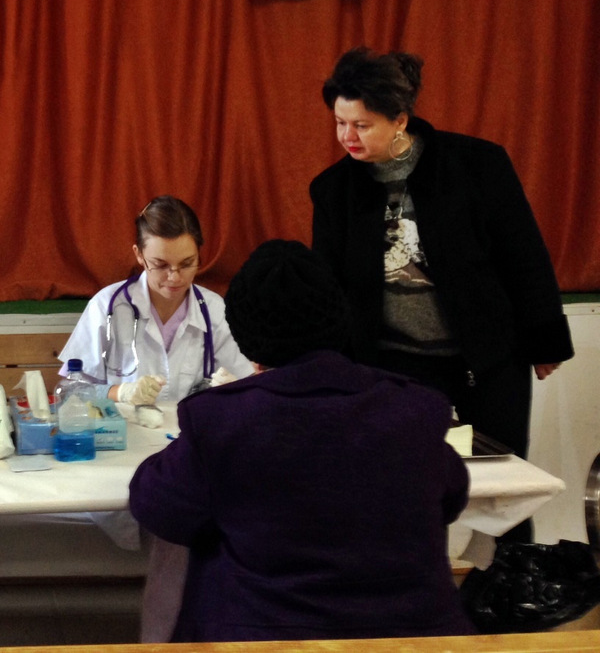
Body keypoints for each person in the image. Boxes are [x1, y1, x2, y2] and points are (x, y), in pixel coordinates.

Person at [130, 239, 475, 642]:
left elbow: (157, 507)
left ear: (245, 334)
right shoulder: (416, 408)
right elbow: (451, 499)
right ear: (339, 318)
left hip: (262, 636)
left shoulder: (222, 419)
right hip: (415, 638)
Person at [309, 48, 573, 494]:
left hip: (485, 357)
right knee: (400, 487)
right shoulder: (333, 191)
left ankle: (509, 545)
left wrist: (545, 341)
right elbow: (329, 288)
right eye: (340, 123)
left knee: (503, 485)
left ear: (399, 120)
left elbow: (523, 254)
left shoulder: (476, 165)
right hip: (394, 364)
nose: (347, 137)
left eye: (362, 125)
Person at [59, 195, 253, 421]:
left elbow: (247, 384)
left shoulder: (215, 310)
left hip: (194, 436)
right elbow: (71, 391)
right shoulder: (106, 307)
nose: (174, 277)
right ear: (139, 255)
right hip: (123, 437)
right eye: (160, 265)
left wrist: (236, 390)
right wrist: (121, 393)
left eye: (187, 263)